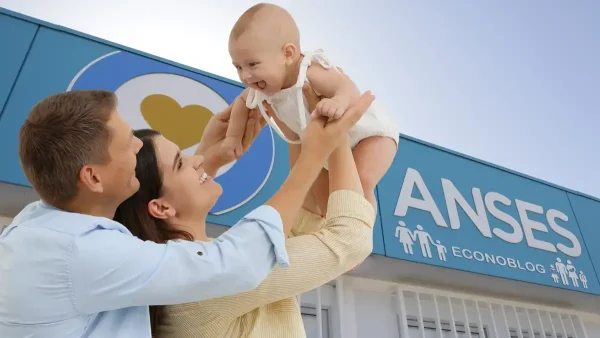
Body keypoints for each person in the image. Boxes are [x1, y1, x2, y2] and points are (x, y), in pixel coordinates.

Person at [0, 85, 371, 337]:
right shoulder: (84, 253)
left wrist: (296, 119)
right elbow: (345, 238)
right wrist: (323, 143)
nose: (135, 144)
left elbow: (294, 225)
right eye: (127, 143)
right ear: (92, 177)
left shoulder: (47, 221)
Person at [114, 85, 376, 337]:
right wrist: (333, 136)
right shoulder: (202, 280)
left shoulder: (185, 273)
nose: (197, 159)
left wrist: (294, 118)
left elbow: (295, 231)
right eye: (181, 162)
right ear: (160, 208)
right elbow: (348, 239)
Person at [222, 3, 399, 215]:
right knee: (327, 202)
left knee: (361, 180)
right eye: (238, 67)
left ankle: (360, 228)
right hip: (327, 147)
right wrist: (233, 137)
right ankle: (333, 231)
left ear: (288, 54)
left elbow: (347, 87)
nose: (245, 76)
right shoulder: (261, 90)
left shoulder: (308, 71)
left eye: (253, 64)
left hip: (368, 133)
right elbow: (241, 105)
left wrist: (338, 102)